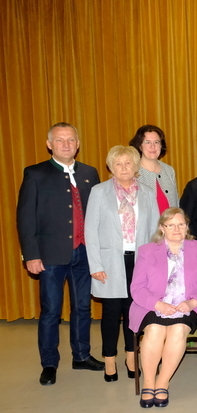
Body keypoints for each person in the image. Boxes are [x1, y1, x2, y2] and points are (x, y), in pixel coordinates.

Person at [17, 122, 103, 385]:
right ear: (49, 144)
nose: (66, 144)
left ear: (78, 144)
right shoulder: (35, 174)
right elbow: (25, 218)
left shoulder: (89, 172)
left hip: (84, 253)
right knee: (51, 311)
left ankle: (81, 356)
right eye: (60, 140)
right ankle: (49, 363)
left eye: (71, 140)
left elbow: (98, 214)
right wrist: (31, 255)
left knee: (82, 307)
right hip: (50, 256)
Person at [85, 146, 159, 382]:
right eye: (118, 163)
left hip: (139, 261)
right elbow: (90, 230)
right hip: (109, 262)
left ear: (136, 166)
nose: (124, 168)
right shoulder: (99, 192)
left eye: (128, 163)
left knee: (133, 311)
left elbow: (155, 230)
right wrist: (95, 265)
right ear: (111, 167)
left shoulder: (147, 192)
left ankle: (131, 357)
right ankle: (109, 360)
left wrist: (154, 266)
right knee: (110, 312)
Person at [129, 208, 197, 408]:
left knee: (177, 331)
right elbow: (137, 287)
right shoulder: (147, 251)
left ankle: (162, 382)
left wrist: (192, 303)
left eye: (181, 224)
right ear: (162, 228)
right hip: (152, 305)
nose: (176, 229)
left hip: (189, 305)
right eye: (171, 225)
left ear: (187, 226)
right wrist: (158, 304)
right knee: (154, 331)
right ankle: (148, 382)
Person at [129, 125, 179, 213]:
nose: (152, 146)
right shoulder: (132, 171)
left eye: (156, 142)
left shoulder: (169, 170)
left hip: (170, 221)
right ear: (140, 146)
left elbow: (176, 203)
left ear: (161, 145)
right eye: (147, 142)